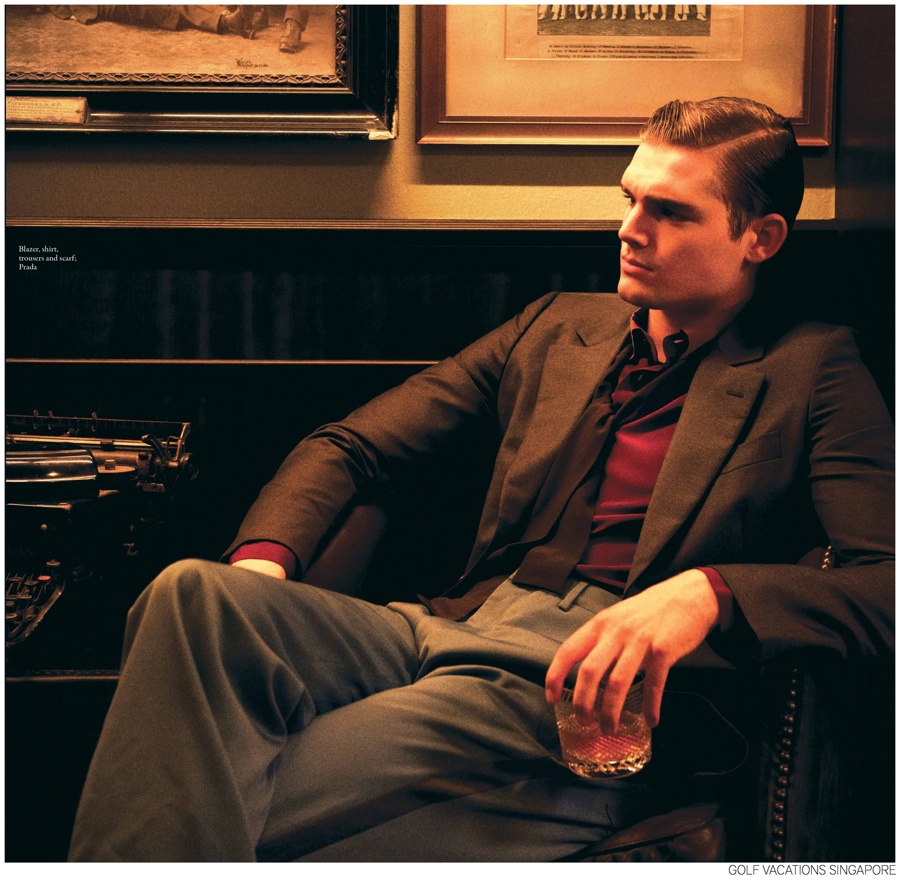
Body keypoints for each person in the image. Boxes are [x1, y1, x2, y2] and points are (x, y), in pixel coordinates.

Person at [68, 97, 894, 862]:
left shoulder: (813, 366)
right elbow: (351, 445)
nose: (629, 230)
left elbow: (886, 584)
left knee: (197, 784)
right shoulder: (557, 324)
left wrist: (709, 594)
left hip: (580, 679)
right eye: (630, 200)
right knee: (195, 595)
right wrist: (266, 569)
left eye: (671, 212)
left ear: (762, 238)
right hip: (446, 623)